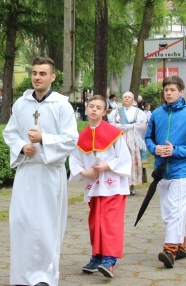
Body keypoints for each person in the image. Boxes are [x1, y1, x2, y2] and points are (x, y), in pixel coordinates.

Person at [3, 56, 78, 286]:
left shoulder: (61, 105)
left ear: (52, 77)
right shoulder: (21, 103)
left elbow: (71, 139)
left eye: (42, 73)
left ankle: (45, 276)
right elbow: (10, 133)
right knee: (21, 222)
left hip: (49, 173)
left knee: (46, 225)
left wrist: (44, 138)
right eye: (35, 73)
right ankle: (22, 276)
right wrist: (21, 146)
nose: (37, 77)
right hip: (26, 172)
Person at [145, 75, 186, 269]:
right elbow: (148, 138)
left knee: (176, 211)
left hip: (182, 170)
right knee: (168, 213)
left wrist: (176, 150)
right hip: (161, 170)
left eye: (172, 90)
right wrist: (155, 149)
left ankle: (169, 250)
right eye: (166, 90)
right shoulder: (156, 114)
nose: (168, 93)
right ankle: (180, 246)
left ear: (181, 92)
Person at [69, 95, 131, 278]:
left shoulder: (114, 133)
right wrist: (85, 173)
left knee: (110, 222)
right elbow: (74, 159)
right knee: (95, 222)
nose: (94, 109)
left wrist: (107, 166)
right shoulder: (81, 137)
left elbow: (123, 158)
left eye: (98, 107)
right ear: (86, 109)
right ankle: (97, 255)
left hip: (113, 186)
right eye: (91, 106)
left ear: (105, 112)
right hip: (94, 186)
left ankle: (110, 259)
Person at [107, 91, 147, 195]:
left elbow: (143, 125)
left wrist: (132, 126)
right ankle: (119, 184)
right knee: (119, 159)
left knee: (131, 159)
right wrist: (117, 126)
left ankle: (132, 184)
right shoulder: (116, 112)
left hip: (132, 138)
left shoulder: (138, 112)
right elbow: (110, 123)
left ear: (133, 99)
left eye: (129, 97)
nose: (127, 99)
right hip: (119, 136)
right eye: (125, 97)